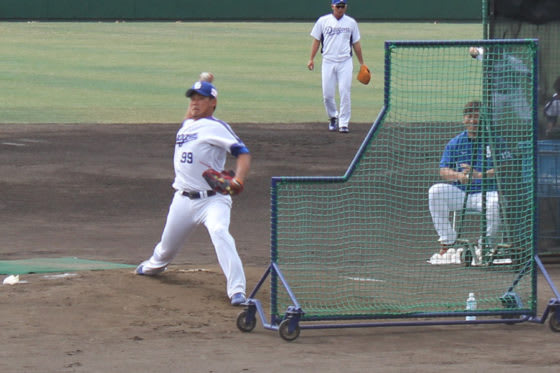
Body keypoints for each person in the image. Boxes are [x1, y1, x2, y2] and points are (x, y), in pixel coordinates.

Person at [136, 80, 251, 307]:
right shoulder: (187, 124)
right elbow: (190, 115)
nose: (195, 103)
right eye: (192, 98)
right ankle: (154, 265)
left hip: (213, 200)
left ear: (213, 102)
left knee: (219, 231)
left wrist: (238, 179)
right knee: (166, 250)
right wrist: (202, 89)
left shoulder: (216, 127)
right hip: (183, 200)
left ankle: (237, 290)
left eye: (200, 98)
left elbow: (243, 153)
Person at [428, 100, 511, 257]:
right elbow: (443, 170)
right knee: (435, 191)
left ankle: (484, 247)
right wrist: (459, 176)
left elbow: (507, 166)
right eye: (469, 116)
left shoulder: (495, 140)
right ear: (463, 119)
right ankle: (448, 241)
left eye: (476, 116)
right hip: (462, 192)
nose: (472, 120)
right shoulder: (456, 142)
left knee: (495, 205)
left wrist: (480, 175)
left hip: (488, 192)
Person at [307, 0, 365, 133]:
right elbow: (316, 41)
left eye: (342, 6)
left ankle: (344, 123)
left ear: (346, 7)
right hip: (328, 61)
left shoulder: (351, 23)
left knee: (345, 91)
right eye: (338, 6)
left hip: (345, 61)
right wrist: (311, 59)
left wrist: (362, 63)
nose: (340, 9)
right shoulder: (323, 21)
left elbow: (356, 44)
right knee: (327, 94)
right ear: (332, 6)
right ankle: (333, 116)